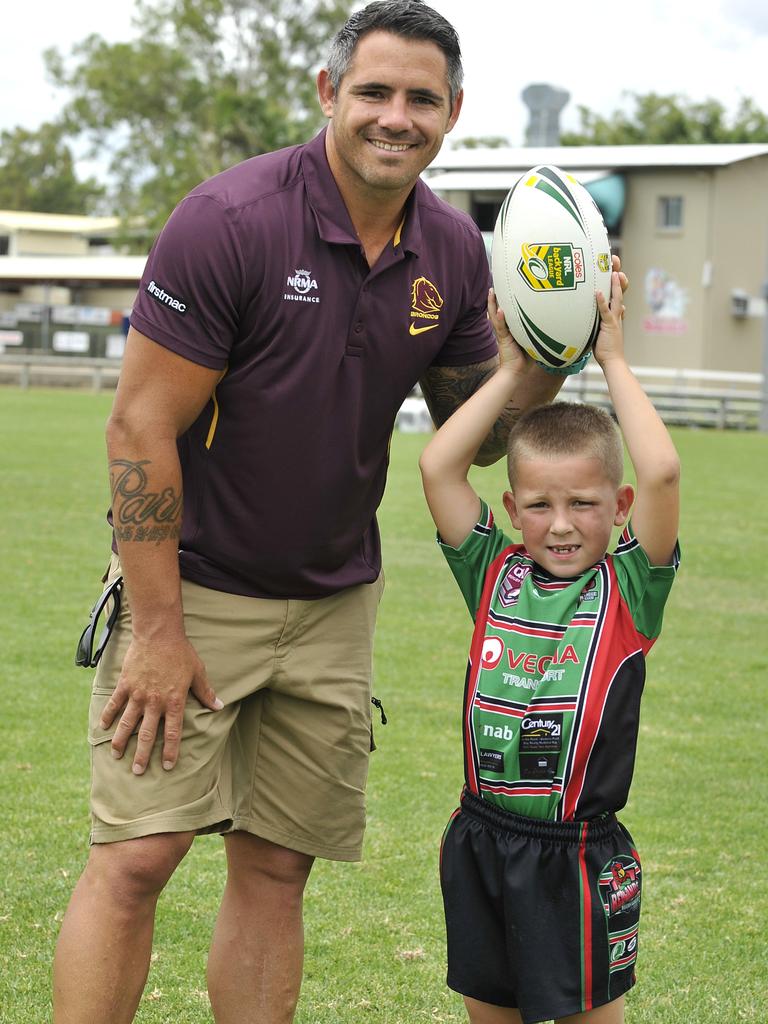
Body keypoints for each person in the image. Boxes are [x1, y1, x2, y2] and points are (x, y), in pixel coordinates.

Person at [52, 3, 588, 1022]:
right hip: (195, 588)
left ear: (454, 112)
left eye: (421, 99)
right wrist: (157, 629)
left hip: (336, 600)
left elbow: (475, 438)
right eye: (375, 91)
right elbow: (139, 429)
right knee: (137, 858)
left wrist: (543, 352)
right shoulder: (231, 220)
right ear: (327, 94)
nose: (397, 116)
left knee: (277, 867)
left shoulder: (451, 247)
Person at [419, 273, 680, 1024]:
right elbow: (439, 466)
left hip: (577, 853)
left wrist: (616, 361)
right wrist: (508, 370)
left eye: (584, 504)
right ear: (511, 509)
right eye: (539, 504)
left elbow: (660, 469)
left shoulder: (630, 589)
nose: (561, 524)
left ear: (619, 508)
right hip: (480, 837)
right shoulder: (493, 572)